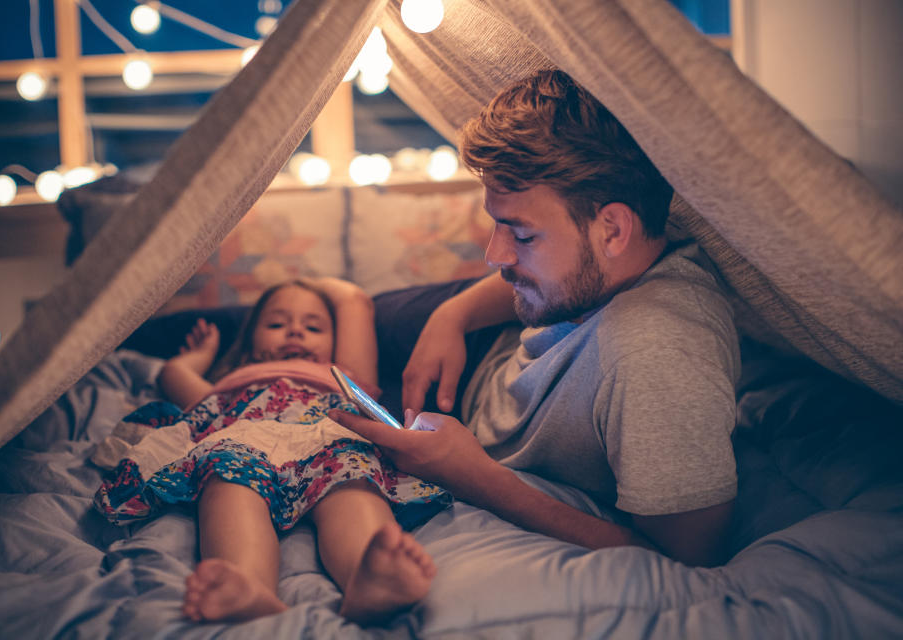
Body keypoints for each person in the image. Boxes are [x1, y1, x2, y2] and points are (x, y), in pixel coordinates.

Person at [331, 69, 740, 567]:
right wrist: (453, 316)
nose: (494, 254)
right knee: (297, 314)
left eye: (522, 235)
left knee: (293, 376)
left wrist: (475, 478)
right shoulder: (619, 257)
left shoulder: (657, 354)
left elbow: (686, 561)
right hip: (480, 336)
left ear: (612, 229)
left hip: (458, 423)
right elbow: (563, 278)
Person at [94, 278, 447, 625]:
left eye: (313, 326)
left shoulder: (344, 374)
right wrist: (203, 355)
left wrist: (301, 278)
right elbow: (173, 373)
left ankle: (369, 575)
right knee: (226, 478)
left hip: (328, 435)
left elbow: (354, 300)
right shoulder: (232, 381)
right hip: (244, 439)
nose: (295, 332)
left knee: (353, 479)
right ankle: (247, 584)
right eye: (277, 323)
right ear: (249, 342)